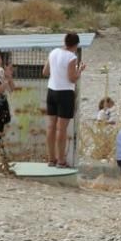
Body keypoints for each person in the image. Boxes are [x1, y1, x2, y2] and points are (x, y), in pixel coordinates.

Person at [42, 32, 85, 167]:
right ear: (76, 45)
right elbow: (72, 78)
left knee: (50, 127)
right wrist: (80, 71)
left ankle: (51, 159)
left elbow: (45, 72)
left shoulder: (53, 52)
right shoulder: (72, 57)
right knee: (61, 129)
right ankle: (61, 160)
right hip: (65, 93)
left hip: (51, 91)